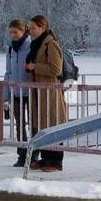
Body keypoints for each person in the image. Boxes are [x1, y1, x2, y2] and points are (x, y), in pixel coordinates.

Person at [23, 14, 66, 171]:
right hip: (40, 91)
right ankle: (45, 158)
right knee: (42, 125)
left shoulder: (51, 45)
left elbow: (56, 69)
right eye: (30, 28)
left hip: (50, 91)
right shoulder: (37, 45)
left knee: (53, 124)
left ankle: (56, 161)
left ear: (42, 28)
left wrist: (35, 67)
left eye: (33, 28)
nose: (31, 31)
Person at [3, 19, 31, 166]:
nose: (13, 35)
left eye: (16, 32)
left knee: (34, 125)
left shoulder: (32, 45)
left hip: (31, 92)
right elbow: (8, 72)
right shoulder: (10, 49)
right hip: (16, 93)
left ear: (23, 30)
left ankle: (34, 154)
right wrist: (6, 95)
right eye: (11, 32)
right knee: (19, 125)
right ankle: (22, 155)